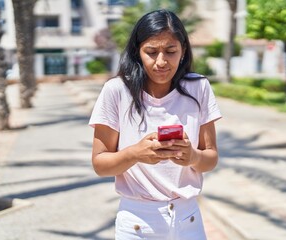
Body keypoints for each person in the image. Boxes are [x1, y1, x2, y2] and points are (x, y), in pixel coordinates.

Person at [89, 9, 221, 240]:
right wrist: (135, 154)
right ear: (137, 52)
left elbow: (211, 158)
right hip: (137, 225)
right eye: (151, 52)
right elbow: (100, 164)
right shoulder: (117, 91)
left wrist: (193, 157)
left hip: (188, 220)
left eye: (170, 51)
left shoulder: (199, 87)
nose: (161, 62)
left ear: (183, 51)